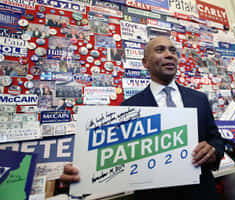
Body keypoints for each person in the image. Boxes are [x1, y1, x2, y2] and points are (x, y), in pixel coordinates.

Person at [60, 36, 224, 200]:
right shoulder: (128, 108)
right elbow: (114, 158)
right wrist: (81, 175)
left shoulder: (199, 99)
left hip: (202, 193)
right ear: (145, 63)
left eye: (173, 50)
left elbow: (216, 139)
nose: (169, 55)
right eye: (160, 50)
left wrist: (213, 151)